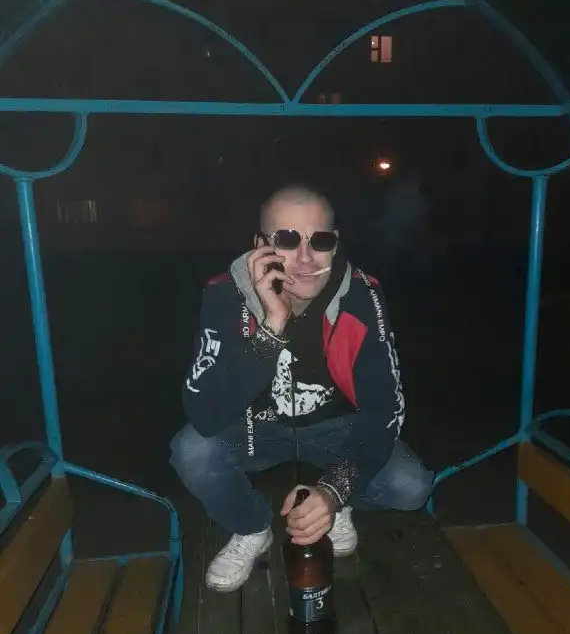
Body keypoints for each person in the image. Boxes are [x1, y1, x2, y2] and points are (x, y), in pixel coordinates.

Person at [170, 185, 433, 592]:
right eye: (288, 240)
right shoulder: (224, 294)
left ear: (335, 243)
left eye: (320, 240)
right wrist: (271, 327)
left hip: (339, 431)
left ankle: (337, 506)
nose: (306, 258)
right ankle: (252, 527)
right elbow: (204, 414)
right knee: (192, 451)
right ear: (260, 246)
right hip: (255, 430)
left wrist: (333, 490)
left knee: (411, 486)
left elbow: (385, 411)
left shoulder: (362, 295)